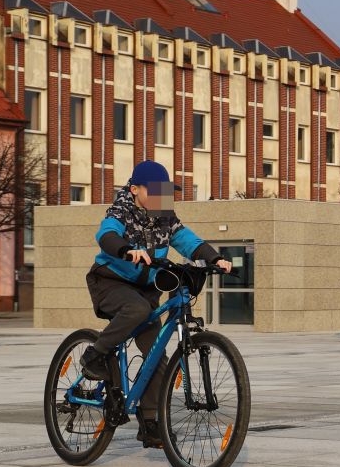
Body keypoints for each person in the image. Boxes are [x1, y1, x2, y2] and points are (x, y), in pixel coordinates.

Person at [81, 161, 230, 447]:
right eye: (158, 191)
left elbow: (187, 240)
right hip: (110, 282)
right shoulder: (121, 210)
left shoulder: (164, 215)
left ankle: (150, 423)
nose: (164, 198)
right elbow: (106, 235)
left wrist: (214, 258)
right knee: (138, 310)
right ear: (135, 190)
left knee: (156, 357)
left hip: (144, 290)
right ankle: (95, 355)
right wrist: (126, 250)